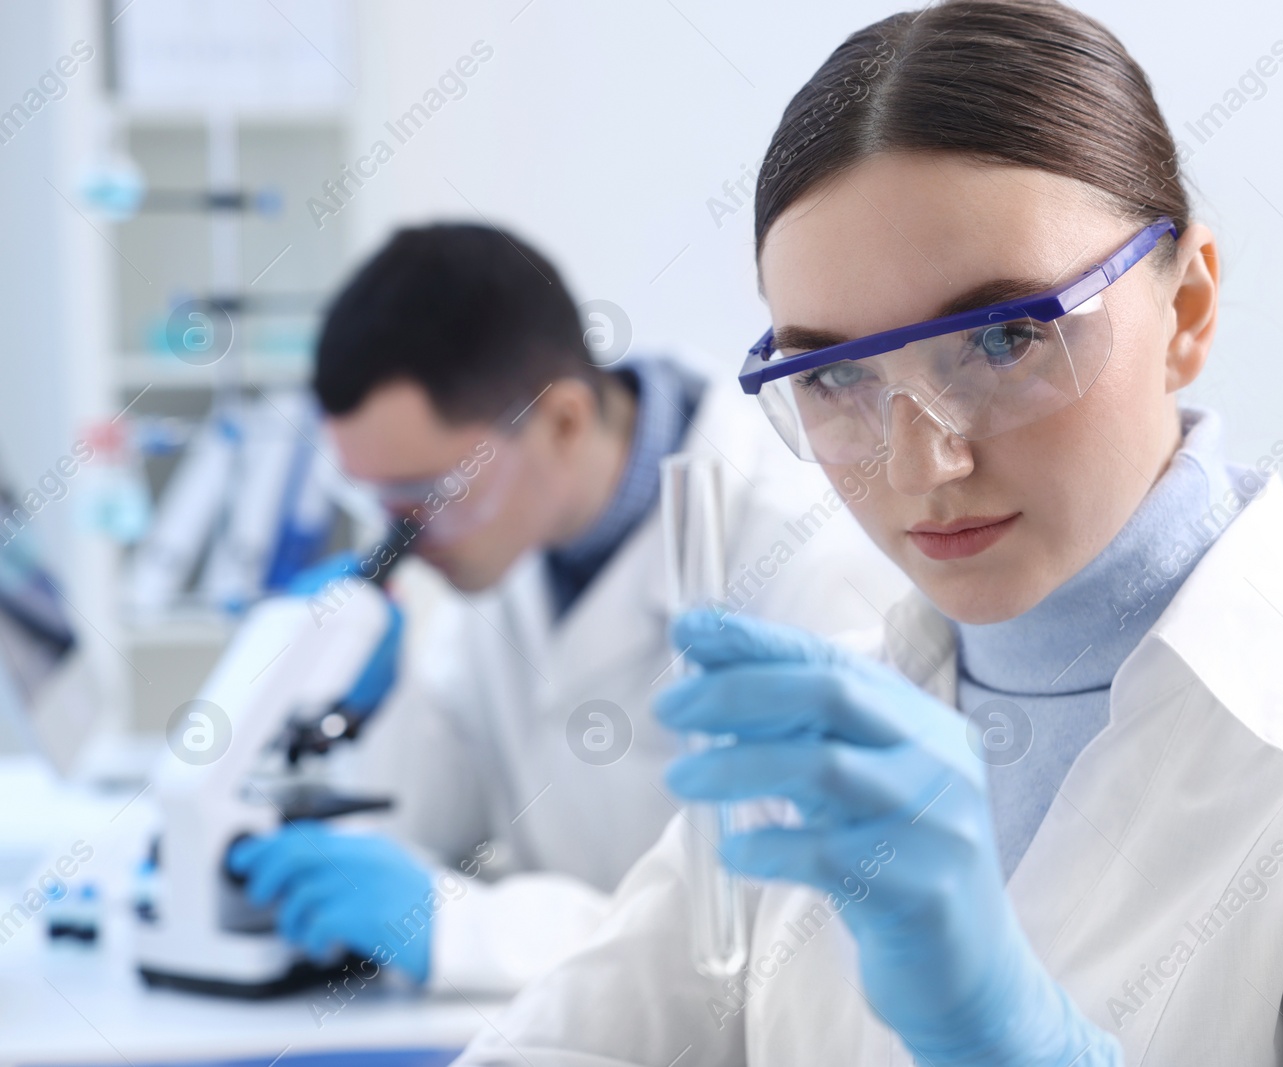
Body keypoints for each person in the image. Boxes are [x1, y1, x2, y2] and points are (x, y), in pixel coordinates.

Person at [453, 3, 1283, 1065]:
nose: (923, 463)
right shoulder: (820, 753)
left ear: (1187, 312)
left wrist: (1012, 1042)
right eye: (834, 374)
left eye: (1002, 343)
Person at [226, 224, 910, 994]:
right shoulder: (506, 543)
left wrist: (468, 930)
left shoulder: (805, 557)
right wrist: (367, 707)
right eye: (379, 499)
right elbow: (419, 829)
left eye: (428, 494)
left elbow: (788, 939)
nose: (404, 535)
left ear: (562, 423)